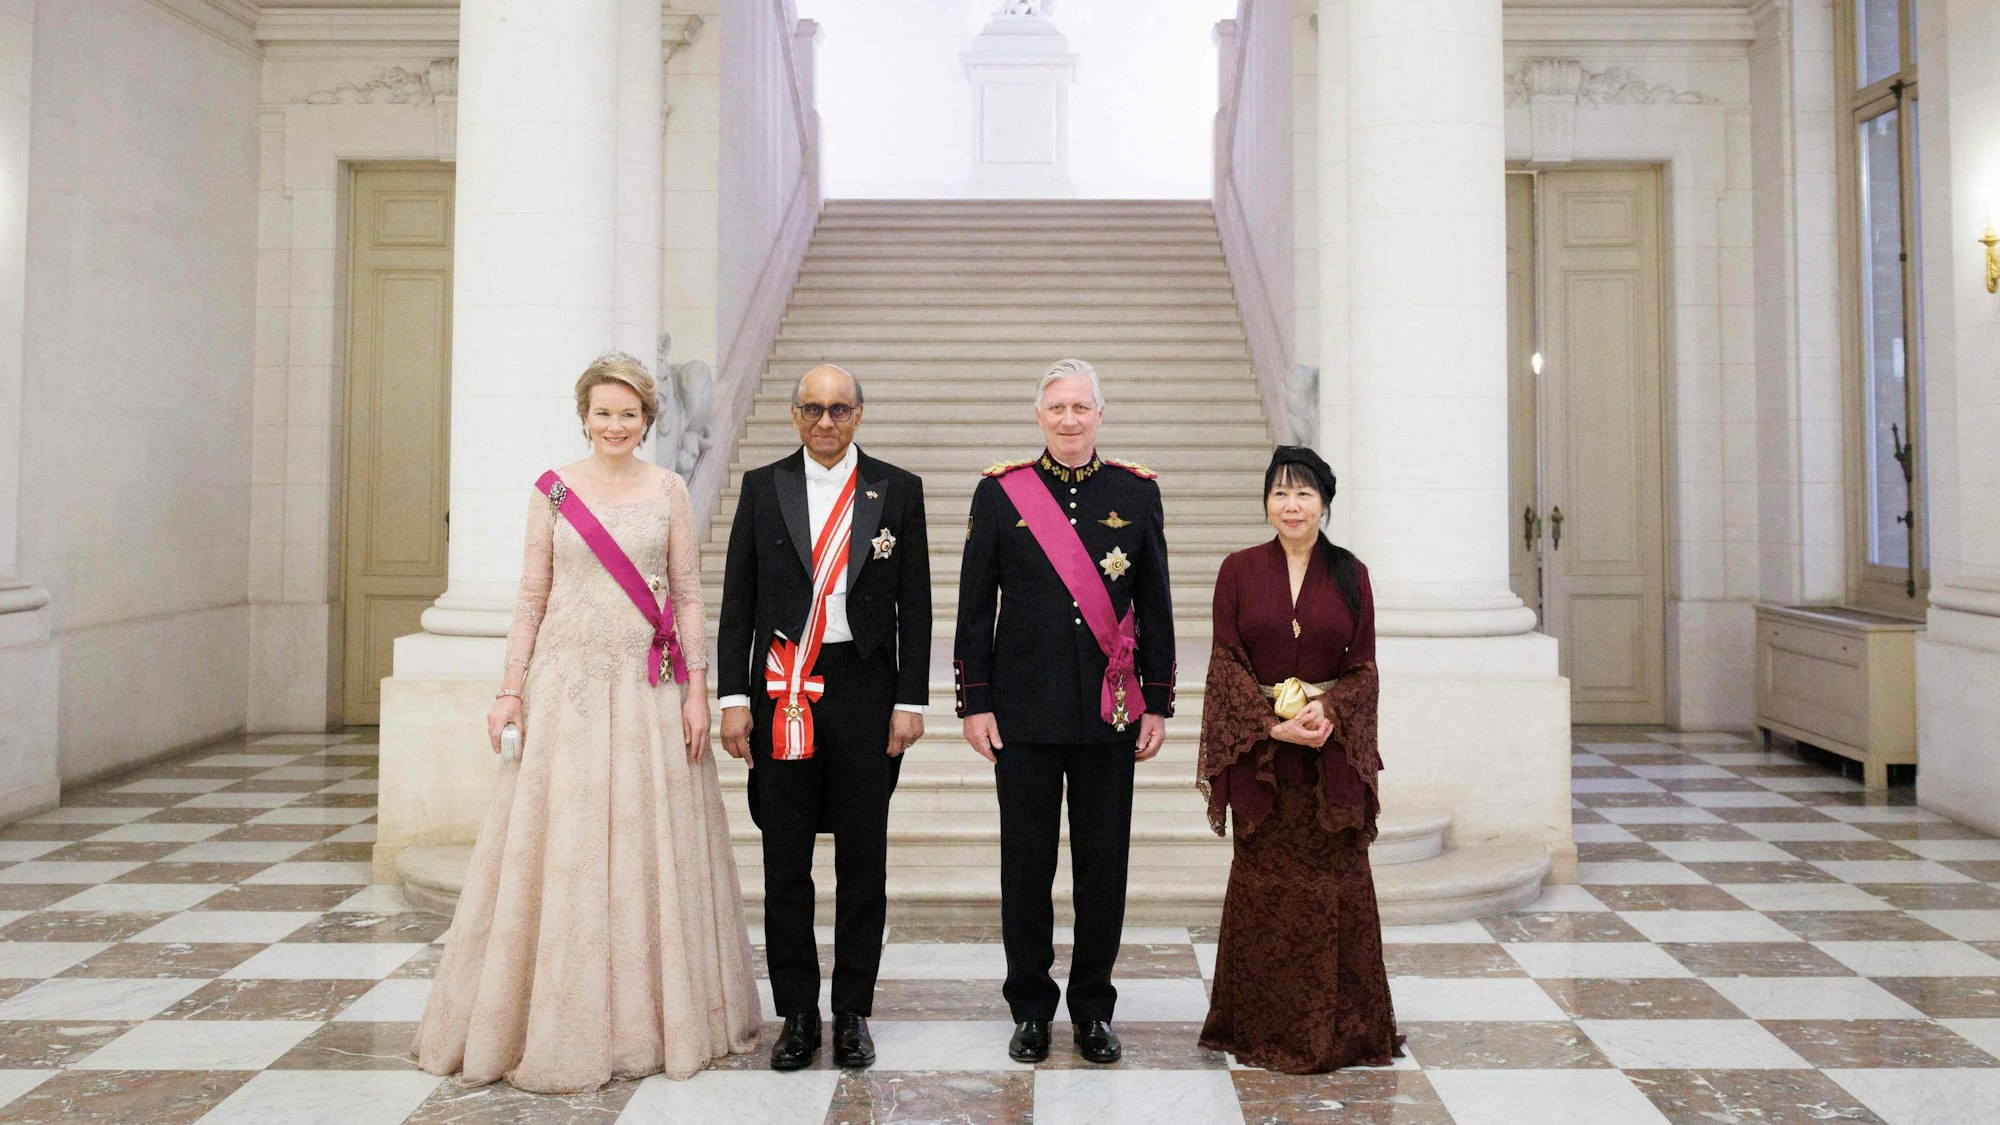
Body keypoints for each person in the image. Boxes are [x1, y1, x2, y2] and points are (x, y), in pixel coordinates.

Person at [414, 352, 760, 1092]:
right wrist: (510, 690)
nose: (615, 425)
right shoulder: (553, 490)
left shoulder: (669, 489)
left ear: (647, 420)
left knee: (645, 848)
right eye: (603, 412)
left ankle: (650, 1020)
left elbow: (690, 598)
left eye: (629, 413)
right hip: (565, 686)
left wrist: (700, 689)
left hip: (648, 689)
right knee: (563, 848)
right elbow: (530, 597)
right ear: (585, 415)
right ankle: (550, 1021)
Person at [954, 357, 1175, 1066]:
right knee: (1025, 865)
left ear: (1101, 415)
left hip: (1110, 714)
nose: (1070, 419)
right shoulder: (999, 495)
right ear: (1039, 415)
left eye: (1082, 407)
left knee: (1103, 866)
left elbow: (1160, 606)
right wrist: (974, 702)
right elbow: (972, 607)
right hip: (1022, 714)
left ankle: (1092, 1009)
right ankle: (1029, 1008)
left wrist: (1159, 702)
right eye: (1058, 408)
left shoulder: (1135, 494)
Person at [717, 363, 931, 1071]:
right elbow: (738, 603)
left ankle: (854, 1012)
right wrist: (731, 699)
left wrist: (909, 700)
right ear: (794, 414)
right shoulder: (762, 487)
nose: (826, 421)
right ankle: (799, 1014)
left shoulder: (897, 490)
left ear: (860, 414)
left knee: (864, 861)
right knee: (786, 860)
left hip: (865, 688)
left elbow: (917, 603)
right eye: (813, 408)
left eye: (840, 408)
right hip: (782, 684)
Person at [1196, 445, 1403, 1073]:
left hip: (1328, 760)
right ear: (1266, 502)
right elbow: (1226, 664)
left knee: (1335, 889)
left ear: (1325, 505)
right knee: (1264, 892)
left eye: (1305, 493)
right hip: (1266, 761)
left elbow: (1363, 668)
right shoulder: (1237, 570)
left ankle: (1347, 1031)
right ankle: (1259, 1029)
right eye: (1281, 492)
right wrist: (1269, 726)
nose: (1292, 505)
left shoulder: (1351, 573)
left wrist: (1328, 714)